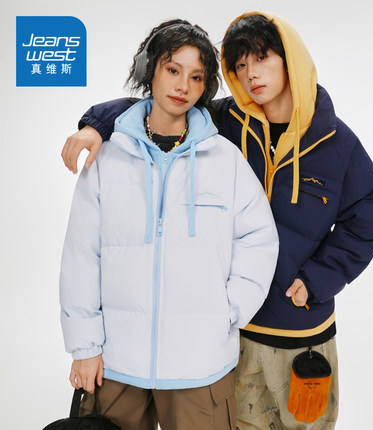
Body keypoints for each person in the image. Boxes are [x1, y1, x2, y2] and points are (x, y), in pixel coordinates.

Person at [61, 11, 373, 430]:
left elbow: (367, 217)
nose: (251, 74)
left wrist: (318, 280)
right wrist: (96, 125)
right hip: (230, 341)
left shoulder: (335, 142)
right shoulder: (227, 124)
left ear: (291, 59)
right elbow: (153, 106)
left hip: (296, 329)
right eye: (240, 64)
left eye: (262, 58)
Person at [60, 18, 279, 430]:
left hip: (202, 367)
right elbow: (81, 255)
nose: (183, 86)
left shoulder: (225, 160)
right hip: (116, 364)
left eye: (196, 77)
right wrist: (84, 347)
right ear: (150, 71)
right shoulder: (108, 158)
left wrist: (228, 310)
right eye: (173, 70)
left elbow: (259, 239)